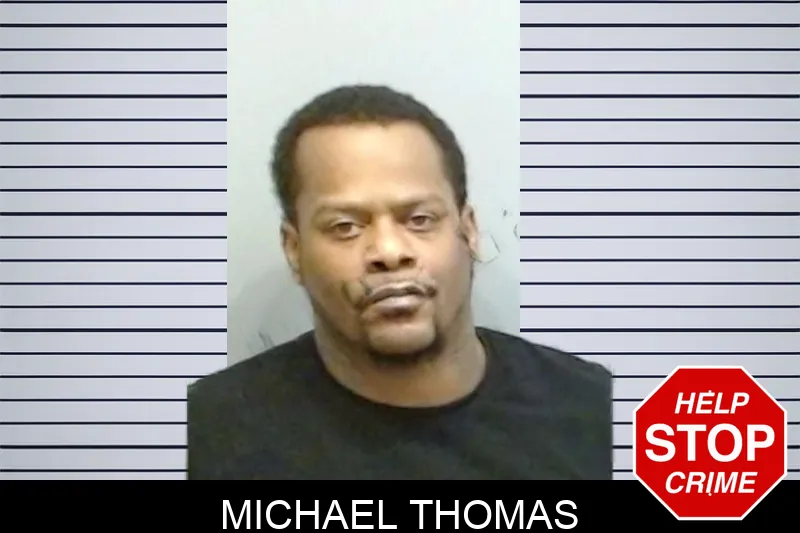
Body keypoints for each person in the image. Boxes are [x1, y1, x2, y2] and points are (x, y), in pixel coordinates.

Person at [187, 85, 613, 480]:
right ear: (294, 250)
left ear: (468, 232)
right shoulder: (205, 436)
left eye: (420, 219)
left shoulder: (596, 415)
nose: (389, 252)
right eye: (345, 226)